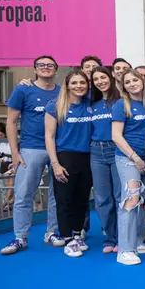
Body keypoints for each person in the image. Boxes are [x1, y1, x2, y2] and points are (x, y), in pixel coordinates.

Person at [0, 56, 63, 255]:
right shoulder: (23, 89)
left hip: (58, 148)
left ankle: (52, 232)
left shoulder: (62, 92)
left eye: (50, 65)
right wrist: (14, 152)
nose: (46, 68)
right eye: (41, 65)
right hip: (31, 148)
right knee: (24, 194)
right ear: (35, 69)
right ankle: (20, 237)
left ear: (56, 69)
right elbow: (11, 121)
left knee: (57, 194)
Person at [44, 70, 93, 257]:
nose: (79, 86)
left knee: (81, 199)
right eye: (74, 83)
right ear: (67, 85)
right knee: (64, 200)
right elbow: (49, 136)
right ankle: (66, 238)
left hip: (87, 157)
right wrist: (55, 164)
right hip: (65, 157)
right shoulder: (55, 106)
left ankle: (77, 234)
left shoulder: (91, 105)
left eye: (82, 82)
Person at [112, 68, 145, 265]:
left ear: (143, 81)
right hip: (127, 159)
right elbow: (116, 136)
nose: (132, 84)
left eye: (135, 80)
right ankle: (124, 249)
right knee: (131, 198)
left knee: (143, 201)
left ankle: (137, 241)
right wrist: (135, 157)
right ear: (123, 86)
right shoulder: (122, 105)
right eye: (127, 82)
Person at [89, 67, 122, 254]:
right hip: (96, 151)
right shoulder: (91, 103)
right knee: (102, 198)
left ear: (110, 78)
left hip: (116, 149)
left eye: (103, 77)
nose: (100, 81)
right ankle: (109, 238)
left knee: (119, 196)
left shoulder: (119, 101)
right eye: (96, 79)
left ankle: (122, 236)